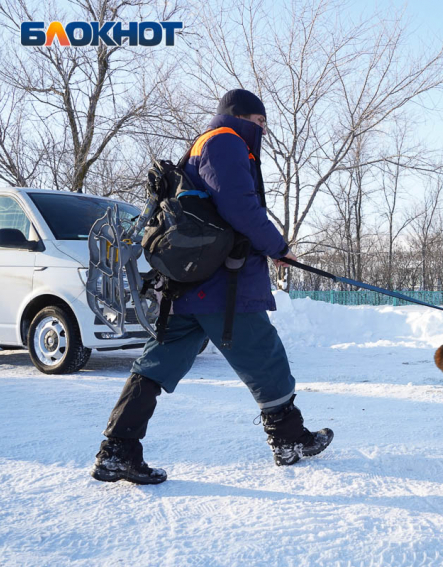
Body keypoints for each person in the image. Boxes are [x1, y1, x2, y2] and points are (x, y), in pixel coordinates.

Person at [91, 89, 333, 484]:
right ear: (243, 117)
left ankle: (117, 450)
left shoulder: (204, 145)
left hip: (190, 284)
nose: (264, 131)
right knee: (265, 357)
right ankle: (289, 439)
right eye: (261, 123)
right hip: (223, 284)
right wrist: (278, 247)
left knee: (154, 365)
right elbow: (239, 207)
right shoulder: (225, 142)